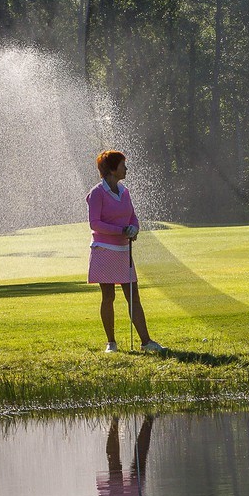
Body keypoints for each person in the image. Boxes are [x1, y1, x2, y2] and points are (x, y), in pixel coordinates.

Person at [87, 149, 166, 355]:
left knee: (134, 297)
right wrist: (121, 230)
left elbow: (132, 216)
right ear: (113, 169)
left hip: (123, 249)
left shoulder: (125, 191)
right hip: (104, 250)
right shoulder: (97, 193)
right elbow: (95, 223)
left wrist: (134, 229)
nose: (126, 169)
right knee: (108, 297)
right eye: (123, 165)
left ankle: (146, 341)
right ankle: (111, 343)